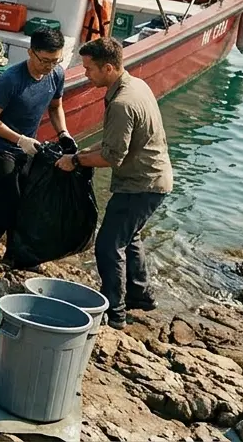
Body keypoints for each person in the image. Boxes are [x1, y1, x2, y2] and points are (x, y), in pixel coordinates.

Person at [58, 36, 173, 329]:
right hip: (155, 178)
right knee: (129, 237)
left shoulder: (122, 102)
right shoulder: (136, 84)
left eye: (89, 69)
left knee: (108, 246)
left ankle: (116, 312)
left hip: (142, 185)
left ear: (108, 68)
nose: (85, 74)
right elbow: (115, 144)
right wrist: (85, 152)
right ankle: (141, 296)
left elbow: (112, 157)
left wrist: (75, 161)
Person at [0, 27, 72, 272]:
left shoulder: (56, 74)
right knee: (8, 205)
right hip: (0, 148)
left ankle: (15, 256)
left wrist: (63, 133)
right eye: (45, 60)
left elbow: (55, 107)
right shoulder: (10, 80)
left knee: (26, 203)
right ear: (30, 52)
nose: (50, 66)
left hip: (28, 148)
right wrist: (19, 139)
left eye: (56, 60)